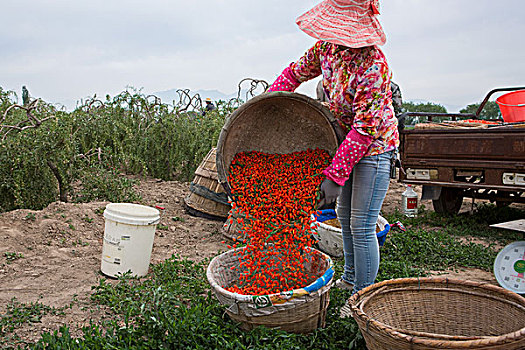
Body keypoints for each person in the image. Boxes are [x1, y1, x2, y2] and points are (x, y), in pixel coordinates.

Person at [267, 0, 399, 294]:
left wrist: (335, 175)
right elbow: (294, 74)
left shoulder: (373, 65)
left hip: (374, 146)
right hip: (345, 141)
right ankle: (350, 278)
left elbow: (365, 128)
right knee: (344, 217)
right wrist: (268, 101)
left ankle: (361, 295)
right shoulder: (326, 48)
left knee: (362, 225)